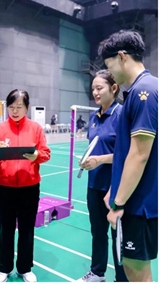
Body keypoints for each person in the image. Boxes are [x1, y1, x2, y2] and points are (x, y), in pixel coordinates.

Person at [98, 30, 157, 283]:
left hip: (140, 204)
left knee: (136, 270)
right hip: (135, 198)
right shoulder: (138, 91)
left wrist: (118, 203)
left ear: (122, 57)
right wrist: (115, 188)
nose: (109, 72)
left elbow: (139, 154)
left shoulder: (145, 92)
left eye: (109, 64)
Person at [0, 88, 50, 282]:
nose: (14, 111)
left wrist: (36, 155)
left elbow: (46, 153)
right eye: (11, 107)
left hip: (29, 188)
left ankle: (24, 267)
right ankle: (4, 268)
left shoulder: (36, 129)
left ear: (27, 108)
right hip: (4, 188)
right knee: (5, 228)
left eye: (19, 107)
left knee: (27, 229)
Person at [78, 70, 127, 282]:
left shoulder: (122, 115)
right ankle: (97, 272)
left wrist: (99, 160)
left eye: (100, 88)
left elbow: (128, 155)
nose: (95, 93)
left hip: (116, 187)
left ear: (113, 88)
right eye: (93, 89)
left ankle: (122, 279)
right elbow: (95, 147)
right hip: (94, 185)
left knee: (119, 237)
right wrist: (88, 160)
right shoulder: (93, 117)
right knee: (98, 232)